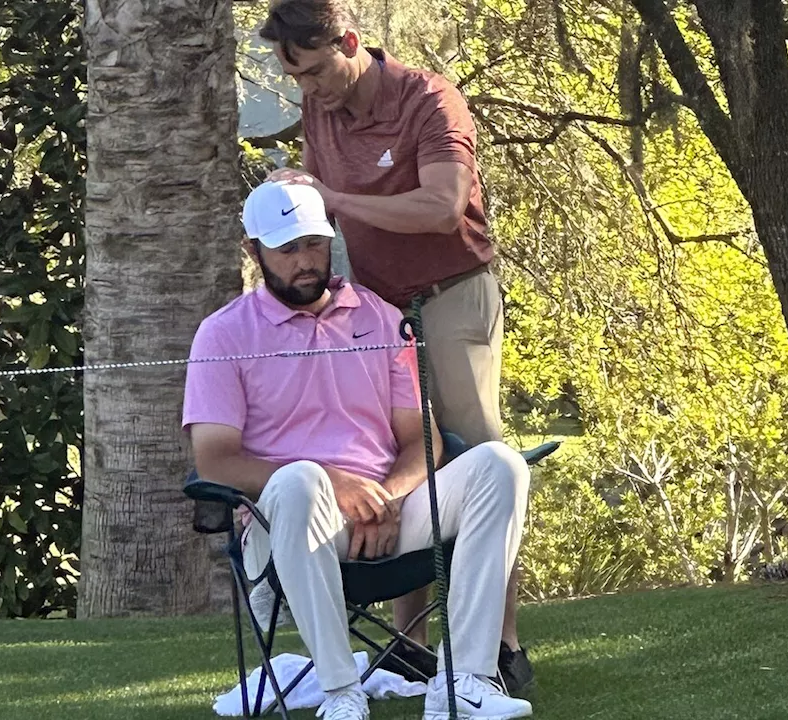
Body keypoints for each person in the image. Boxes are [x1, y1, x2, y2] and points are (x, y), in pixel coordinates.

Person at [259, 0, 535, 694]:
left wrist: (333, 196)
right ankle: (409, 646)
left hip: (451, 295)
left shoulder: (430, 100)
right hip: (377, 310)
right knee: (397, 457)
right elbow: (324, 204)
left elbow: (443, 206)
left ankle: (502, 647)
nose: (309, 91)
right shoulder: (322, 108)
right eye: (297, 77)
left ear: (351, 41)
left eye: (317, 71)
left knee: (475, 455)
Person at [182, 180, 533, 720]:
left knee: (499, 465)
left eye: (314, 244)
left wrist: (387, 497)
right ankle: (340, 692)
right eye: (287, 249)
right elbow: (216, 460)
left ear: (332, 236)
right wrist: (339, 486)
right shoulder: (222, 335)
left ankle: (463, 680)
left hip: (388, 512)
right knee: (301, 481)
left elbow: (423, 439)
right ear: (254, 252)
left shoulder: (381, 317)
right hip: (286, 524)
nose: (305, 261)